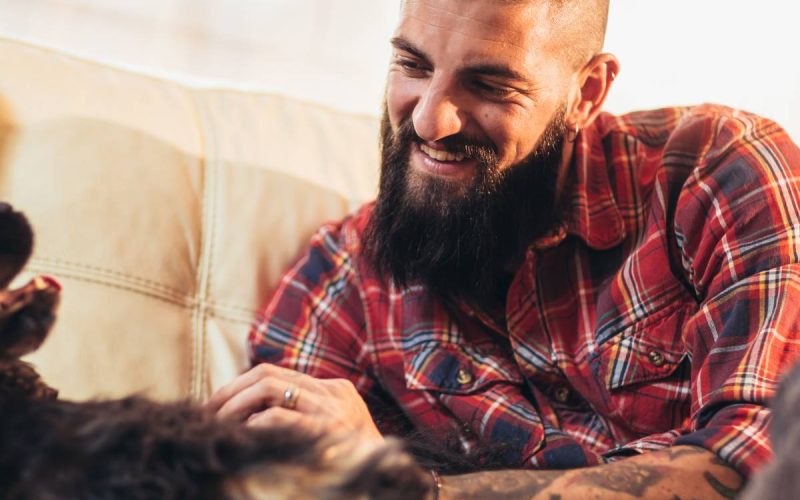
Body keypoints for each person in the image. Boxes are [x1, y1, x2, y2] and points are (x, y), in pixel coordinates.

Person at [208, 0, 800, 497]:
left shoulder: (717, 173)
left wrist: (410, 489)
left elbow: (757, 461)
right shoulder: (342, 283)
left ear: (586, 93)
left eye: (489, 85)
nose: (429, 121)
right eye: (412, 65)